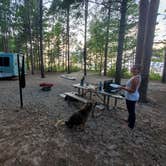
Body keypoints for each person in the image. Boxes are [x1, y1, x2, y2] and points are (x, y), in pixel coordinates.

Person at [120, 64, 142, 129]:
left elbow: (132, 90)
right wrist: (124, 86)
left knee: (131, 111)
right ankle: (128, 120)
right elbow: (130, 86)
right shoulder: (134, 76)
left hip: (132, 97)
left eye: (134, 68)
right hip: (130, 97)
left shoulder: (136, 78)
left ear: (138, 70)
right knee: (130, 110)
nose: (132, 69)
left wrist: (122, 88)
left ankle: (131, 125)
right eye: (132, 68)